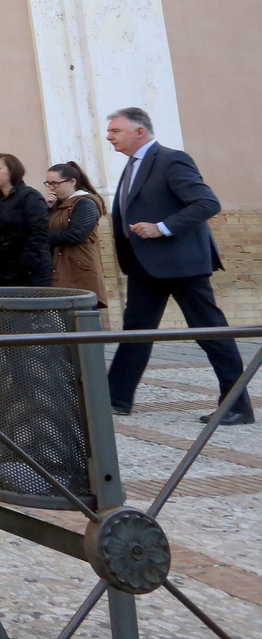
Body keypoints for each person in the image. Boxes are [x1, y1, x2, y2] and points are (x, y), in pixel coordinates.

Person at [103, 108, 254, 425]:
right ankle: (115, 398)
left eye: (115, 131)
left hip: (182, 263)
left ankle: (237, 405)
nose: (109, 137)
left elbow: (207, 203)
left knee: (210, 333)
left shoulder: (171, 160)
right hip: (144, 265)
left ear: (139, 131)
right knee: (136, 332)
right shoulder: (132, 164)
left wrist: (162, 227)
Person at [43, 162, 107, 308]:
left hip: (80, 269)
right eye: (49, 184)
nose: (51, 188)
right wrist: (46, 209)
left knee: (84, 314)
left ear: (72, 182)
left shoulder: (85, 202)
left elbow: (76, 234)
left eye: (56, 183)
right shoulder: (58, 205)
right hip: (60, 268)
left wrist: (41, 236)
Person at [0, 153, 53, 287]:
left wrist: (26, 263)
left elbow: (39, 232)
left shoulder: (30, 196)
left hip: (30, 270)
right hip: (5, 269)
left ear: (12, 170)